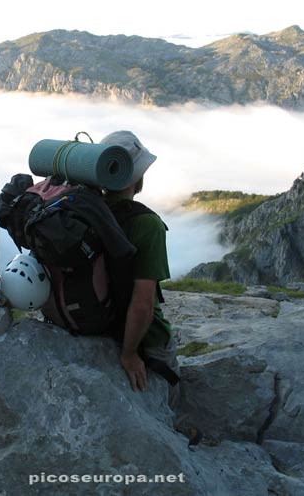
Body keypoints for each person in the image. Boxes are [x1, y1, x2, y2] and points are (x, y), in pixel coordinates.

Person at [100, 130, 179, 402]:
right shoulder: (147, 225)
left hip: (97, 322)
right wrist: (129, 354)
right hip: (145, 340)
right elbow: (143, 304)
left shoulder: (82, 210)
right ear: (137, 178)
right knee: (170, 401)